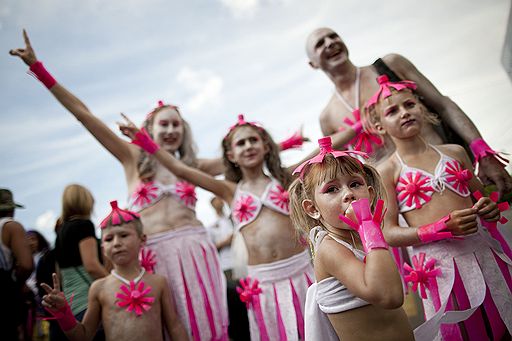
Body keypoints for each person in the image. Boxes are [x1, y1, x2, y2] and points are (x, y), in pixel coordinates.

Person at [10, 30, 229, 340]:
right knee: (162, 328)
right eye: (162, 124)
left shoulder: (194, 166)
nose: (170, 130)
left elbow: (242, 159)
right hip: (151, 255)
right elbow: (84, 116)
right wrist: (39, 69)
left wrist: (288, 145)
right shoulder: (131, 157)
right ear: (148, 130)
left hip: (196, 251)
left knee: (205, 324)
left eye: (176, 124)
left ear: (184, 130)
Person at [119, 113, 315, 341]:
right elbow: (179, 169)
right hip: (263, 282)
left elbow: (318, 153)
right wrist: (146, 143)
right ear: (230, 155)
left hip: (302, 271)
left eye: (253, 140)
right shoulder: (230, 190)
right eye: (240, 143)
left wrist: (358, 125)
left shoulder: (282, 178)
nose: (248, 146)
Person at [364, 76, 512, 340]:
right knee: (465, 331)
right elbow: (388, 233)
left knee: (505, 318)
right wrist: (438, 228)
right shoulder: (387, 171)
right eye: (392, 111)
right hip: (441, 268)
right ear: (379, 125)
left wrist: (488, 207)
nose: (405, 113)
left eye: (410, 104)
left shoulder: (455, 152)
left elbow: (481, 196)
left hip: (483, 253)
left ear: (422, 108)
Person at [305, 27, 511, 198]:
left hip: (450, 177)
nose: (330, 43)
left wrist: (484, 153)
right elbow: (343, 172)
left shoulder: (389, 66)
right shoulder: (327, 117)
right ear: (312, 64)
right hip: (403, 202)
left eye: (333, 36)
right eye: (320, 43)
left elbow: (443, 105)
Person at [287, 136, 413, 340]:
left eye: (355, 184)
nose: (348, 194)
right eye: (332, 189)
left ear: (370, 194)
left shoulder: (363, 240)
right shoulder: (330, 249)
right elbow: (389, 296)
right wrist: (368, 224)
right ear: (312, 209)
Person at [41, 200, 189, 341]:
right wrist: (64, 313)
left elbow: (174, 326)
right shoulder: (99, 288)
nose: (117, 243)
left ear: (142, 239)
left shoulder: (158, 282)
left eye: (124, 235)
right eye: (109, 239)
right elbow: (83, 336)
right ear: (103, 249)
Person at [0, 188, 34, 340]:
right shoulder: (11, 226)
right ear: (11, 209)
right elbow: (26, 265)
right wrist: (18, 282)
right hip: (6, 294)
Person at [206, 196, 234, 279]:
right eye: (216, 200)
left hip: (241, 263)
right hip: (226, 265)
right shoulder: (211, 227)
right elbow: (210, 249)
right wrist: (226, 242)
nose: (219, 202)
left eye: (220, 199)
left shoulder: (232, 220)